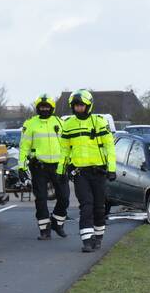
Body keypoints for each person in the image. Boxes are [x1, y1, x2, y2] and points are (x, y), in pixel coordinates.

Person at [59, 90, 116, 253]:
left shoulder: (99, 122)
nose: (78, 108)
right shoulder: (68, 125)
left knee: (99, 207)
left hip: (99, 172)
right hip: (80, 173)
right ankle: (87, 240)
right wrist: (60, 170)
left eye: (81, 105)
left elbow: (109, 147)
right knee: (86, 206)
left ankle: (98, 237)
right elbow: (64, 149)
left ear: (88, 106)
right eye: (76, 106)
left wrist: (112, 169)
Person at [18, 93, 68, 239]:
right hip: (39, 167)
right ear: (37, 108)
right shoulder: (30, 124)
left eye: (47, 107)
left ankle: (57, 222)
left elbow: (67, 145)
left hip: (59, 166)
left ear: (52, 108)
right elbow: (24, 147)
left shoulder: (60, 122)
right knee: (41, 199)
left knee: (64, 198)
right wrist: (21, 167)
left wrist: (70, 163)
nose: (44, 109)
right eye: (42, 107)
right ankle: (45, 230)